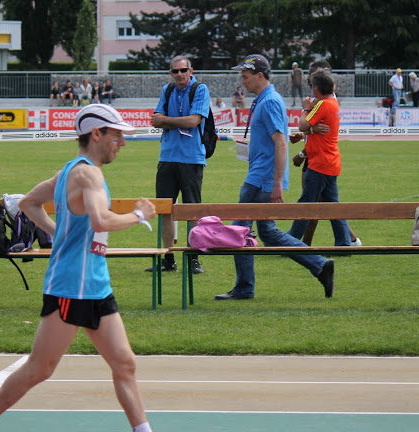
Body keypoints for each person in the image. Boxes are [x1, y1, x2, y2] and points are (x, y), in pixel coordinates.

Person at [0, 103, 195, 432]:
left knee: (124, 363)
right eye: (117, 135)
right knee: (40, 368)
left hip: (95, 284)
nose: (122, 143)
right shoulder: (88, 176)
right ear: (96, 134)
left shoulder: (68, 172)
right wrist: (139, 215)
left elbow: (29, 204)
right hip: (71, 286)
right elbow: (99, 218)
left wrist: (58, 233)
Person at [214, 54, 334, 301]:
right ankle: (320, 265)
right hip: (261, 176)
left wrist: (277, 183)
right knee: (267, 233)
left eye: (246, 77)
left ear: (260, 76)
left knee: (239, 231)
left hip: (261, 180)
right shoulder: (264, 99)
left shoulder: (268, 102)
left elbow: (281, 144)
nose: (242, 82)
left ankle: (245, 288)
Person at [148, 55, 211, 274]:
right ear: (170, 73)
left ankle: (194, 258)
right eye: (175, 71)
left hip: (192, 157)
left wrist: (166, 121)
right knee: (165, 210)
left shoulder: (200, 89)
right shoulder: (167, 90)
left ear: (190, 70)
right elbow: (155, 119)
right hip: (167, 157)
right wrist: (166, 120)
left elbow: (194, 121)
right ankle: (168, 258)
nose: (180, 74)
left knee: (192, 210)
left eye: (183, 70)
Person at [289, 60, 360, 247]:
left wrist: (305, 108)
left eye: (312, 86)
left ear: (317, 88)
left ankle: (290, 241)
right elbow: (311, 130)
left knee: (306, 204)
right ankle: (344, 243)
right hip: (330, 162)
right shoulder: (333, 103)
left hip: (319, 164)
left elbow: (303, 124)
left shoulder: (322, 105)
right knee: (332, 207)